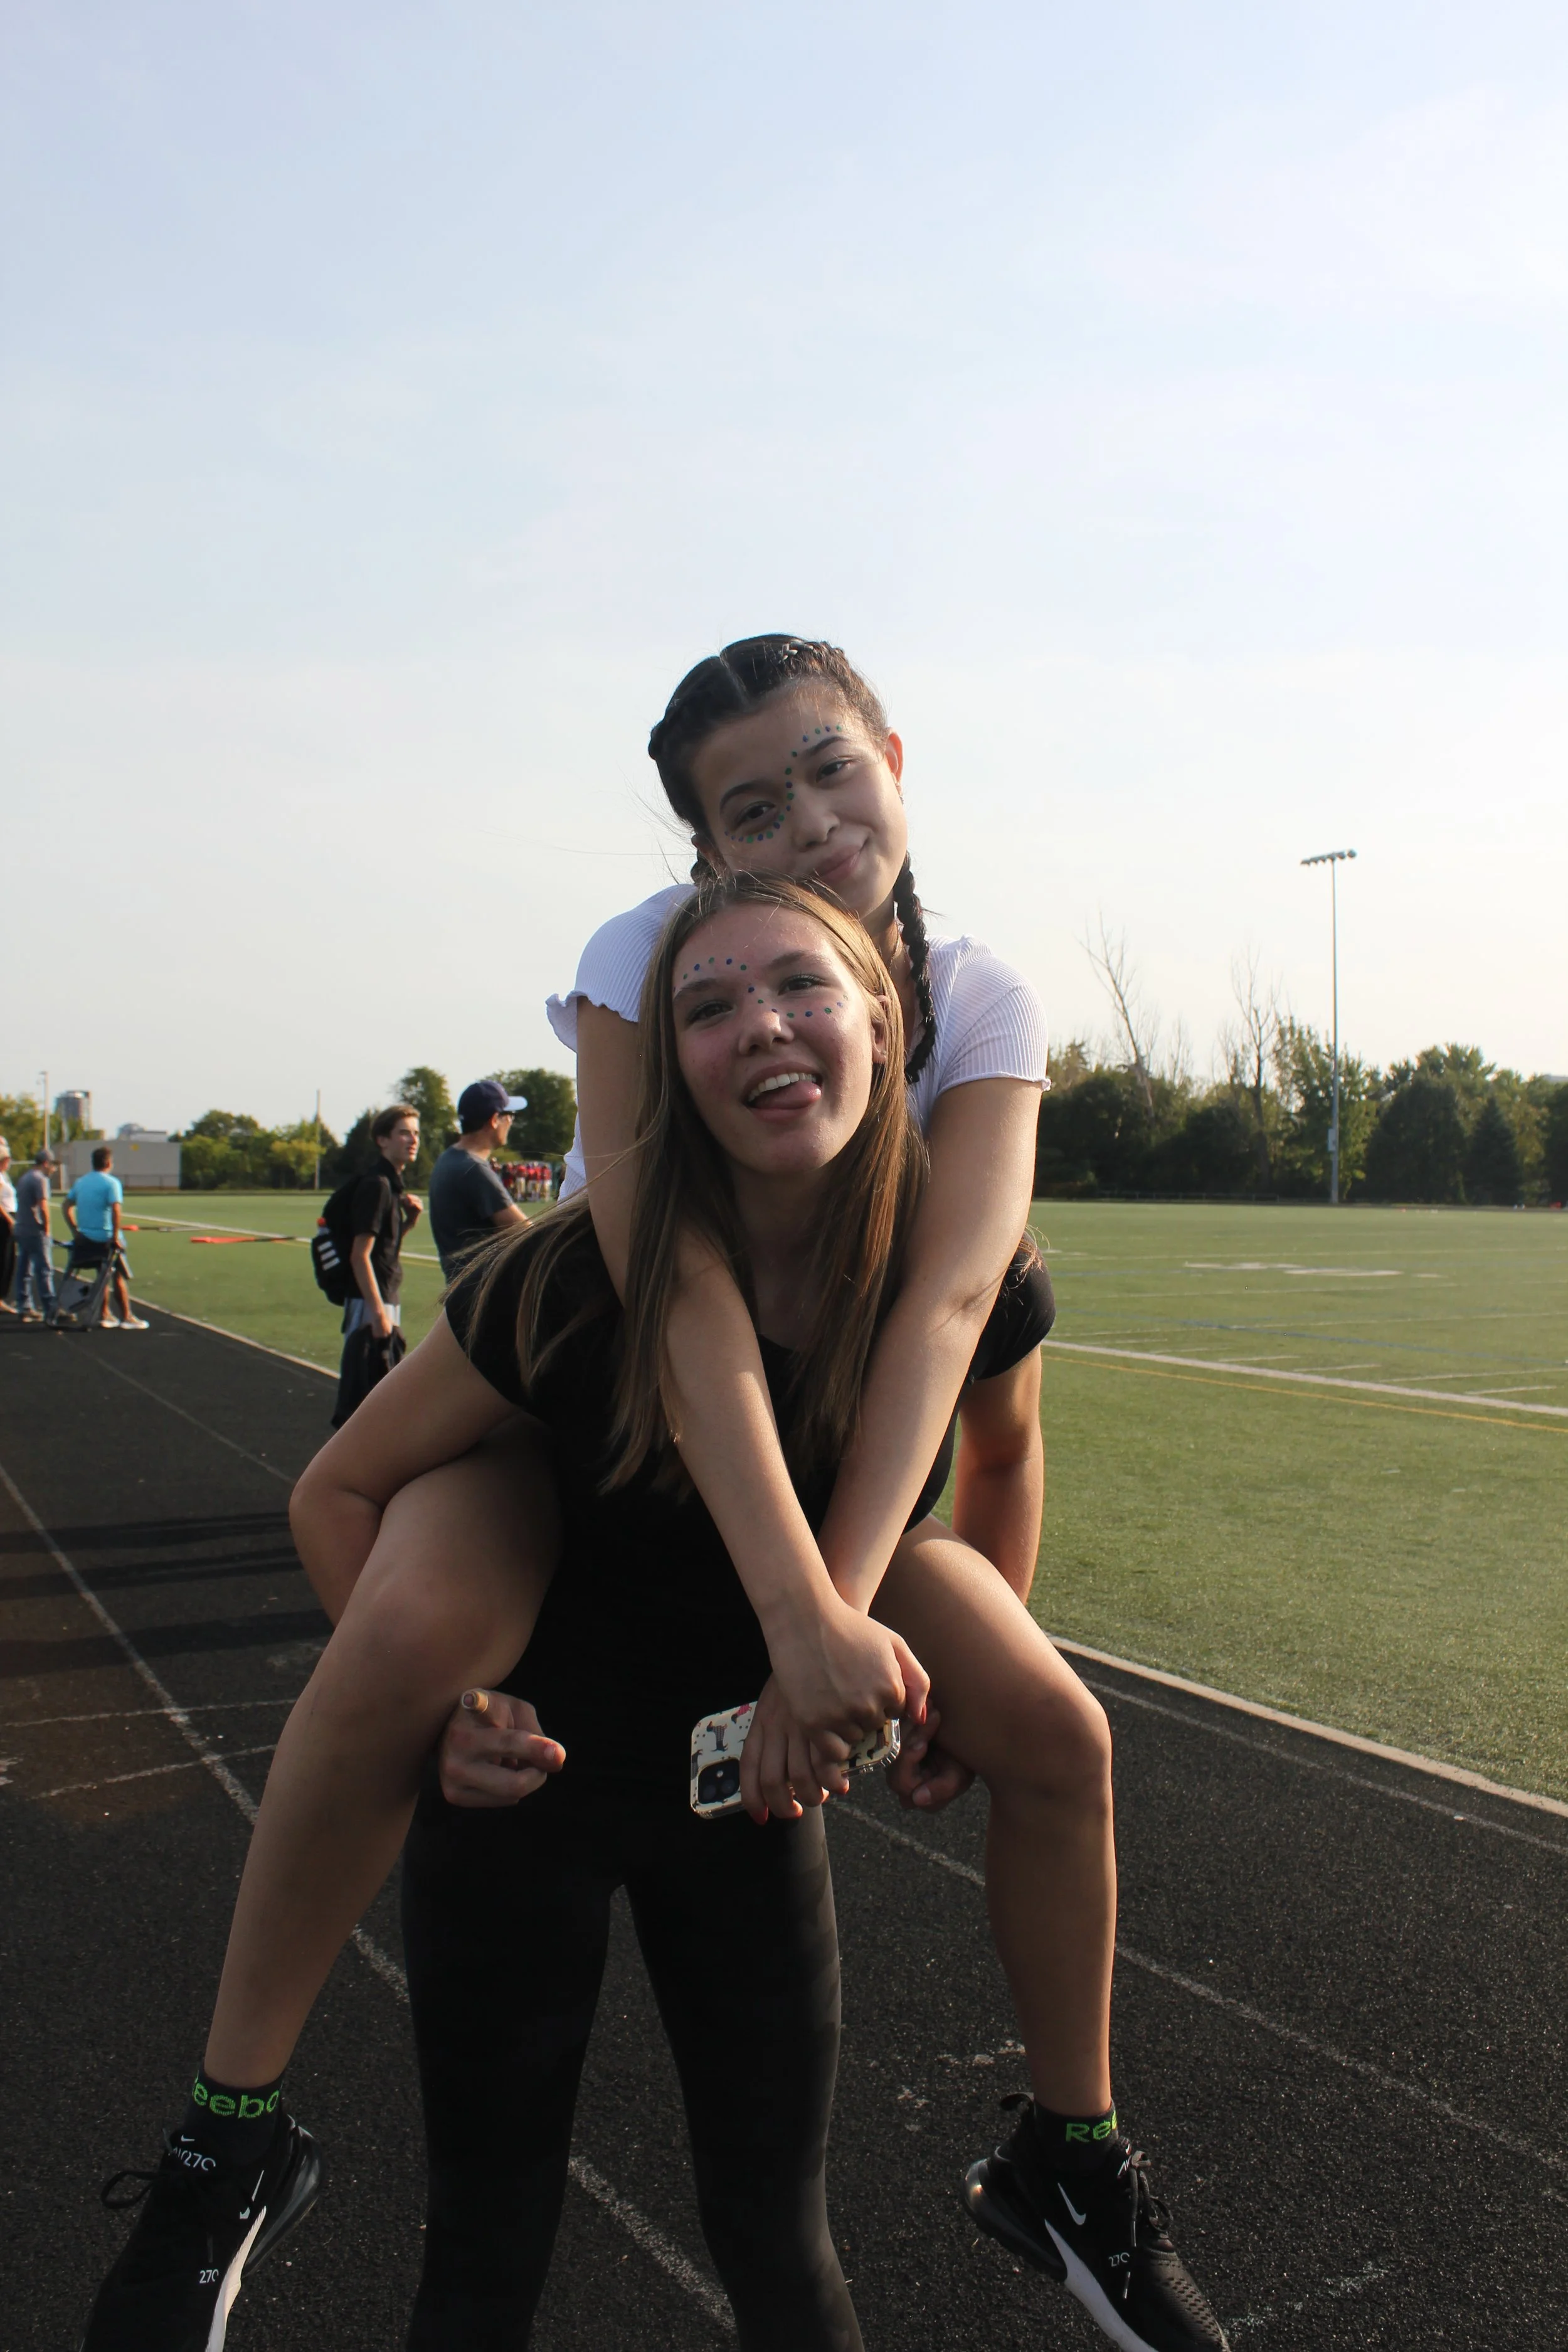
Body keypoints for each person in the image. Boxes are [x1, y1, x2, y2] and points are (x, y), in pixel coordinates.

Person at [86, 640, 1227, 2352]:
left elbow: (964, 1369)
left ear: (891, 1023)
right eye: (749, 818)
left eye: (834, 774)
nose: (811, 828)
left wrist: (866, 1655)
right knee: (484, 2253)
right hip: (558, 1686)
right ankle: (226, 2129)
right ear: (699, 876)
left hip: (743, 1750)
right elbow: (623, 1323)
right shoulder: (579, 1254)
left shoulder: (973, 1073)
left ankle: (1072, 2150)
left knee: (1047, 1753)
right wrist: (447, 1708)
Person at [332, 1104, 423, 1429]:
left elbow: (384, 1251)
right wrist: (379, 1313)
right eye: (404, 1132)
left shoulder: (391, 1184)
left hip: (383, 1298)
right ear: (382, 1140)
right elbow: (361, 1255)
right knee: (365, 1397)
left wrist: (408, 1223)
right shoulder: (378, 1185)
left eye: (416, 1133)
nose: (412, 1140)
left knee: (378, 1395)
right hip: (371, 1302)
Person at [426, 1079, 528, 1278]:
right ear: (494, 1120)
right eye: (509, 1115)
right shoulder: (473, 1169)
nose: (511, 1122)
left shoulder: (447, 1160)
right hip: (482, 1294)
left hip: (459, 1291)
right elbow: (526, 1233)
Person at [62, 1146, 146, 1330]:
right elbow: (116, 1209)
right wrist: (115, 1236)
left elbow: (66, 1205)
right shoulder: (111, 1183)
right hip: (106, 1238)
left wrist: (75, 1231)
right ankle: (127, 1316)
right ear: (108, 1163)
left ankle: (105, 1314)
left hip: (86, 1239)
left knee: (102, 1274)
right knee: (118, 1275)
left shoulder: (81, 1182)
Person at [13, 1146, 57, 1322]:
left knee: (24, 1269)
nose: (53, 1169)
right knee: (44, 1270)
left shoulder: (25, 1178)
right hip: (34, 1230)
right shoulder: (40, 1180)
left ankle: (24, 1305)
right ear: (46, 1163)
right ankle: (50, 1308)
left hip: (22, 1228)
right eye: (52, 1165)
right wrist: (47, 1229)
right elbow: (43, 1206)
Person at [0, 1138, 16, 1315]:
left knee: (9, 1258)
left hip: (9, 1216)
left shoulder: (5, 1176)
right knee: (5, 1259)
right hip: (4, 1219)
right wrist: (9, 1220)